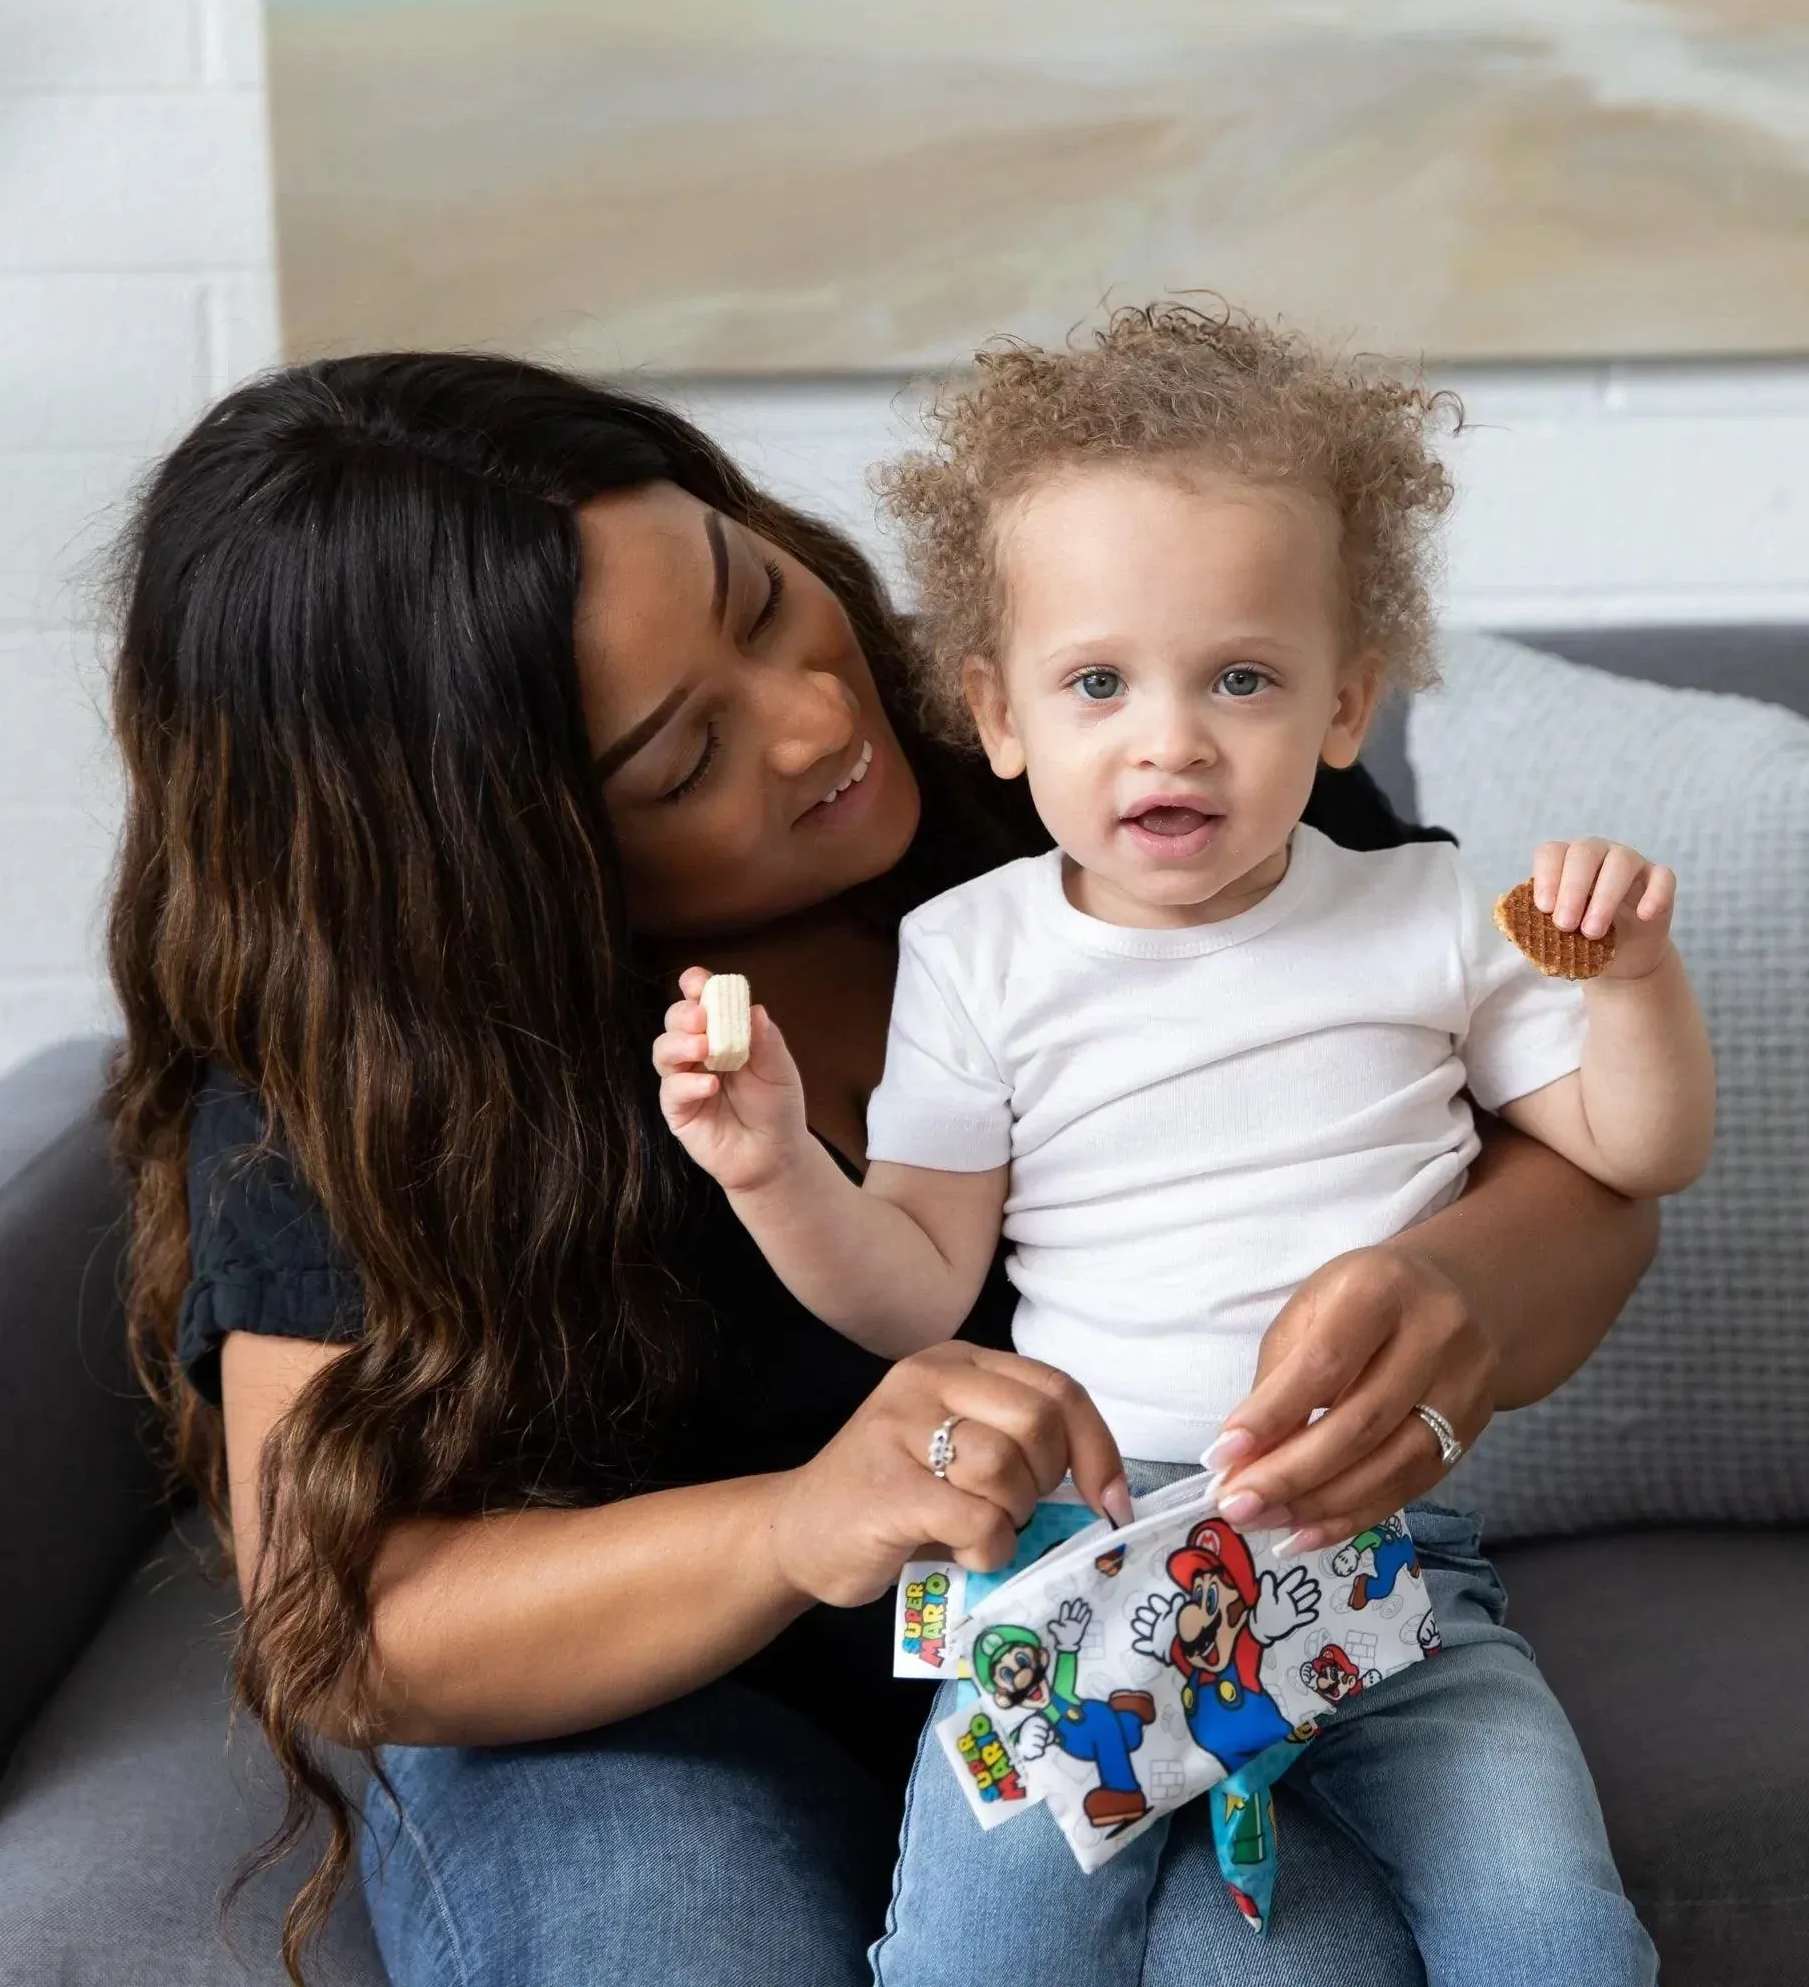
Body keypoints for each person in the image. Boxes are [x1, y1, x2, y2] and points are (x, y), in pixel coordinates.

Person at [108, 348, 1659, 1987]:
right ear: (496, 860)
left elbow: (1581, 1176)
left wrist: (1454, 1289)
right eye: (680, 761)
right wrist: (795, 1526)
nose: (820, 717)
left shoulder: (1126, 737)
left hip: (1160, 1613)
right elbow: (343, 1622)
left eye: (761, 598)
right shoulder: (355, 1075)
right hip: (645, 1720)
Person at [657, 307, 1701, 1981]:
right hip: (1080, 1554)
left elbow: (1635, 1153)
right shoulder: (978, 954)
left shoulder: (1427, 908)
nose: (1172, 737)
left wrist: (1633, 979)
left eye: (1242, 676)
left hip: (1385, 1559)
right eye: (1097, 682)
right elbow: (914, 1295)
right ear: (997, 716)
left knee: (1554, 1930)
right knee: (977, 1960)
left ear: (1346, 703)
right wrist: (773, 1160)